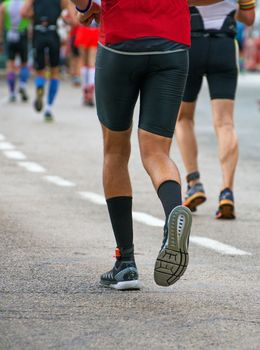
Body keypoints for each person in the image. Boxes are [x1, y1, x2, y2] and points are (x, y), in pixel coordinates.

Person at [70, 0, 223, 290]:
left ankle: (125, 263)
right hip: (172, 45)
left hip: (120, 43)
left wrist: (85, 7)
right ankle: (172, 219)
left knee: (115, 151)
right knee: (156, 152)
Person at [176, 0, 255, 219]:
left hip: (191, 43)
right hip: (224, 44)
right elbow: (249, 18)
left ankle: (194, 183)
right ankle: (226, 191)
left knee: (183, 118)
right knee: (225, 122)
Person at [21, 0, 76, 121]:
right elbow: (73, 19)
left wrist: (34, 15)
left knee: (40, 71)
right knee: (54, 72)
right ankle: (48, 108)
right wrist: (61, 17)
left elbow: (23, 12)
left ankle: (40, 87)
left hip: (38, 33)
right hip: (53, 33)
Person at [0, 0, 30, 102]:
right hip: (22, 34)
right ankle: (23, 84)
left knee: (10, 65)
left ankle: (12, 92)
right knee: (24, 63)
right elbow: (30, 16)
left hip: (10, 34)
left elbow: (1, 22)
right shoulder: (26, 3)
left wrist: (1, 38)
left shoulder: (5, 4)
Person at [74, 18, 99, 106]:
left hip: (83, 30)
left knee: (84, 63)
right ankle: (90, 92)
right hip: (95, 30)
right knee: (92, 63)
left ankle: (85, 92)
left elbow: (76, 19)